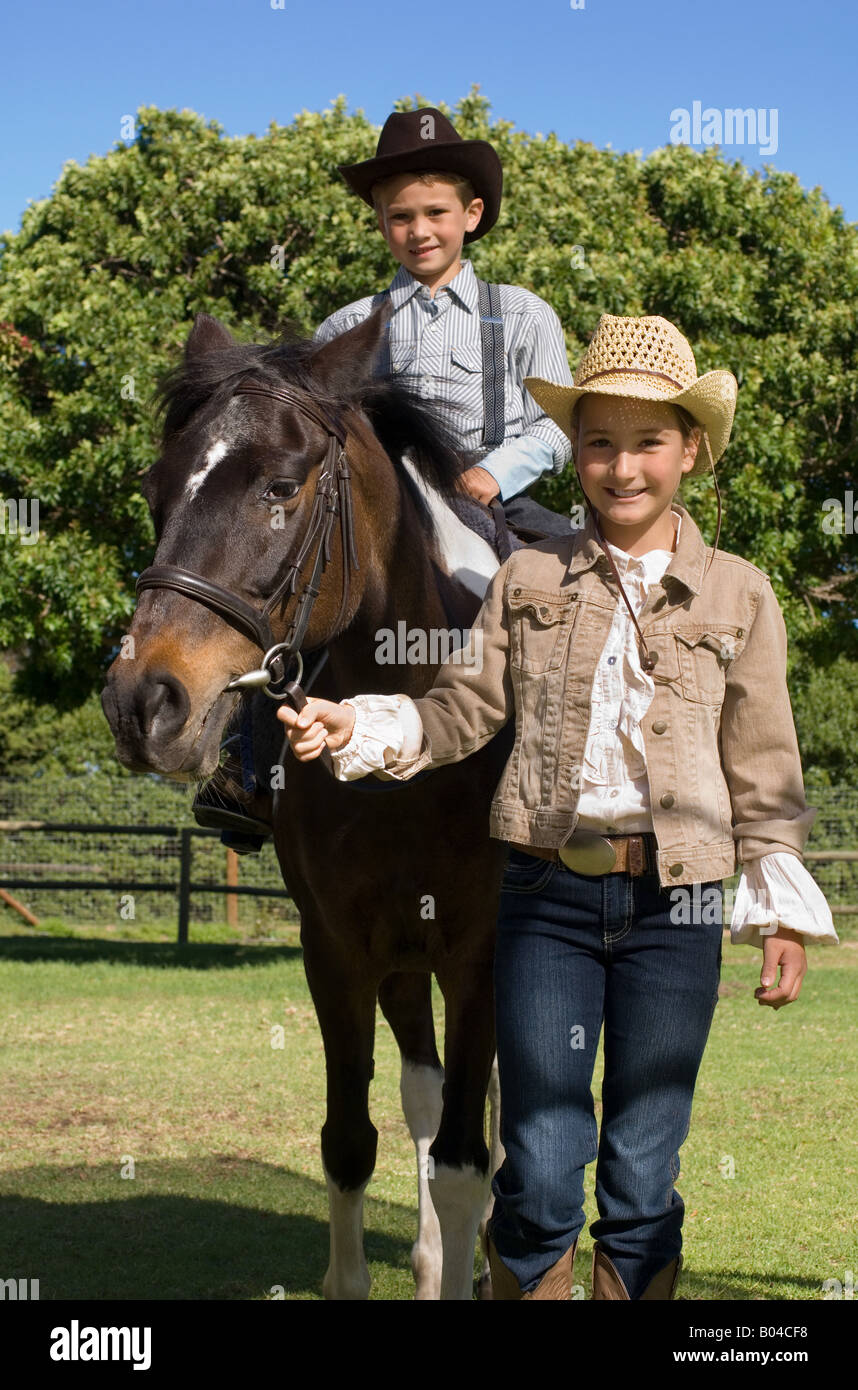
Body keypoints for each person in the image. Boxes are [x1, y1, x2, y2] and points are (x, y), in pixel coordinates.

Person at [276, 312, 838, 1301]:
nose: (623, 468)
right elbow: (461, 711)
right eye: (600, 442)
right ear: (575, 452)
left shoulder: (741, 596)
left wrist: (779, 898)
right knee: (535, 1157)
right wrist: (356, 728)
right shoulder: (527, 579)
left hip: (682, 907)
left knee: (643, 1159)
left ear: (691, 451)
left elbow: (764, 764)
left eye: (650, 441)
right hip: (544, 898)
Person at [193, 105, 575, 847]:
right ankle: (246, 769)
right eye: (400, 216)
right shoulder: (346, 327)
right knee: (284, 598)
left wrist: (494, 474)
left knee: (574, 593)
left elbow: (559, 423)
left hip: (491, 500)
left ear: (472, 214)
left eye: (435, 212)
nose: (419, 229)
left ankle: (560, 776)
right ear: (380, 223)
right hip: (375, 516)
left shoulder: (521, 314)